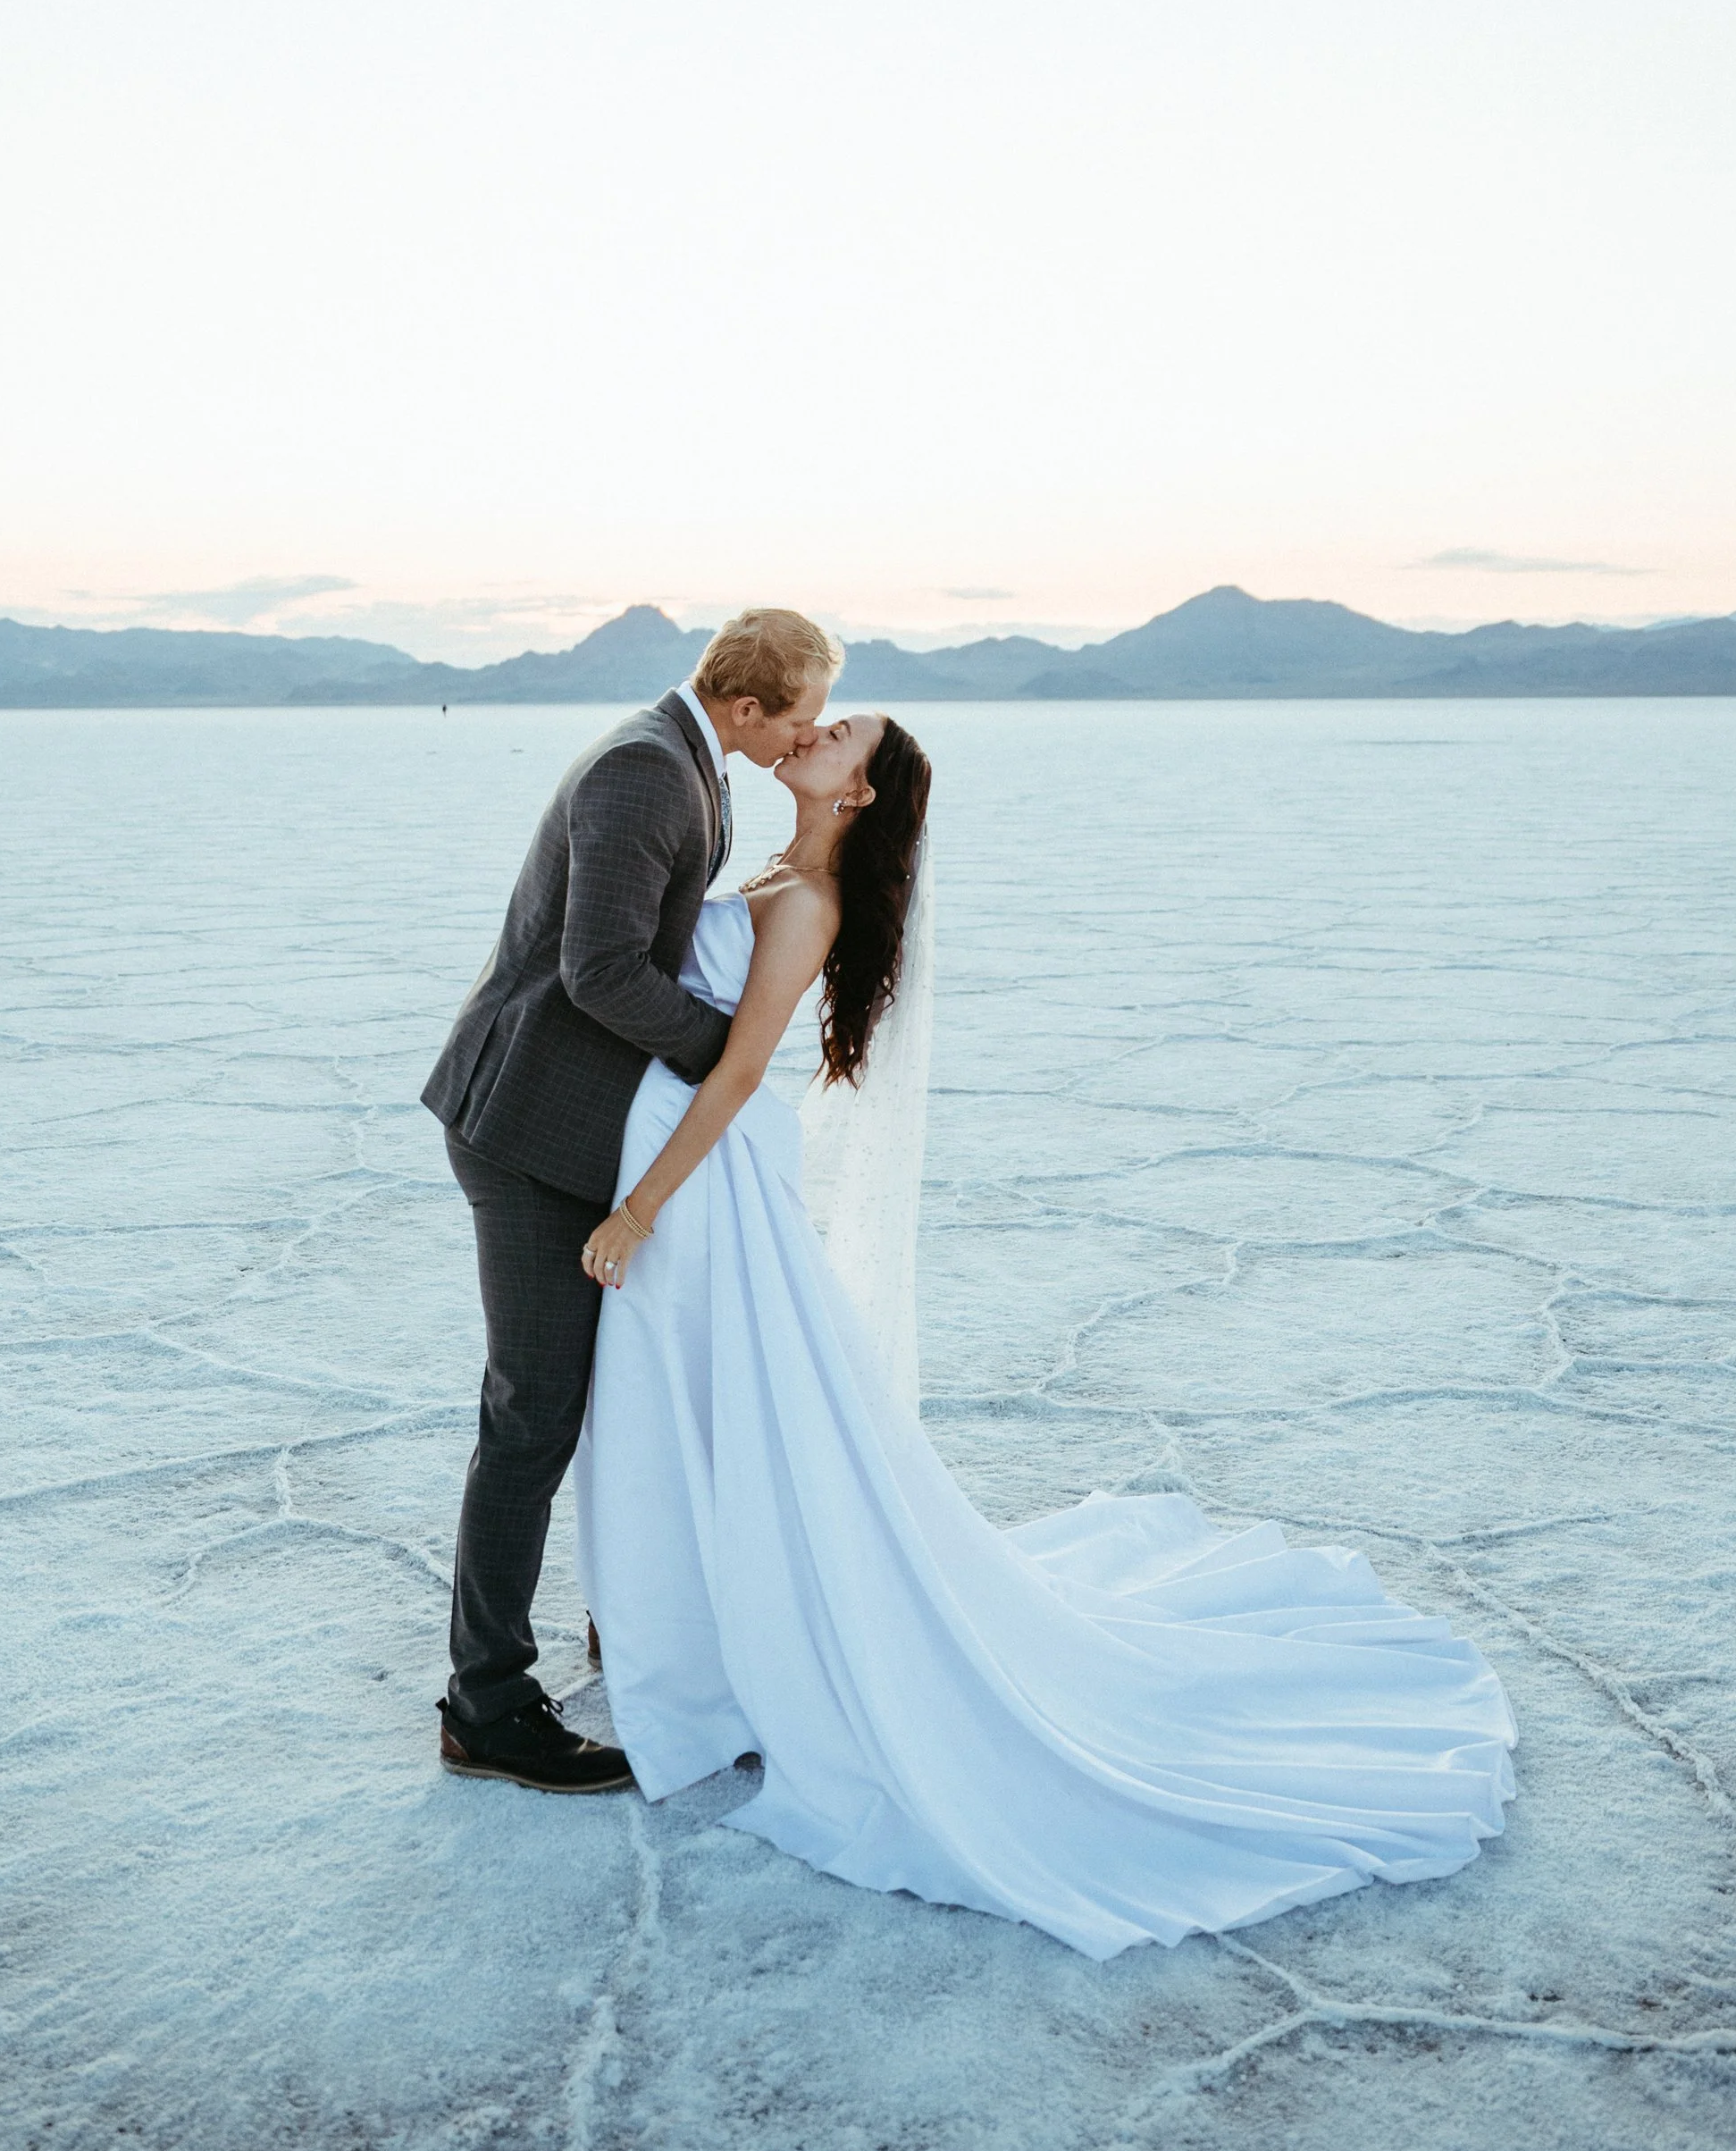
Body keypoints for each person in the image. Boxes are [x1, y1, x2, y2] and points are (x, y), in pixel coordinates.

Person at [570, 710, 1521, 1958]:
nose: (818, 726)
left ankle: (722, 1650)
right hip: (699, 1178)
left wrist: (642, 1204)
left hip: (708, 1189)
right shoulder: (777, 867)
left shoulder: (807, 902)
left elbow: (738, 1074)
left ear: (859, 795)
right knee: (691, 1411)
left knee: (736, 1414)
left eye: (843, 734)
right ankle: (693, 1636)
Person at [421, 605, 838, 1793]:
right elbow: (599, 970)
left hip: (574, 1128)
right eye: (797, 712)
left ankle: (626, 1617)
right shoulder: (646, 775)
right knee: (532, 1411)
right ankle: (486, 1702)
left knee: (594, 1394)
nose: (808, 732)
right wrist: (730, 1056)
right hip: (527, 1130)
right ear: (746, 705)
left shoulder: (691, 765)